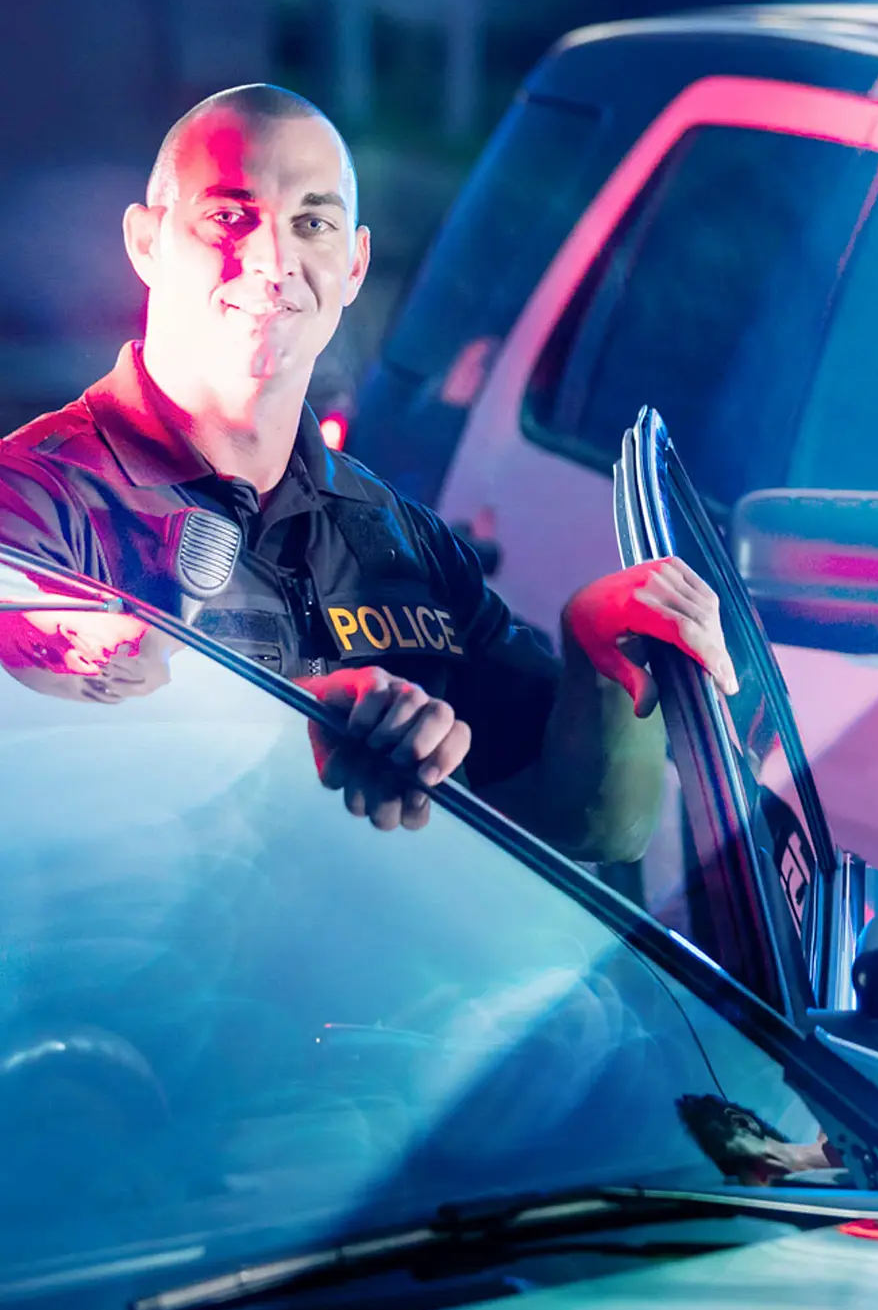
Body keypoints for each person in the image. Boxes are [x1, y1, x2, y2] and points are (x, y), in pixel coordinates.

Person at [0, 84, 734, 854]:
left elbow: (578, 825)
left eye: (311, 224)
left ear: (353, 267)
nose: (274, 260)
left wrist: (600, 648)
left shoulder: (402, 541)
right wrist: (303, 725)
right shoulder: (32, 509)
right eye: (228, 215)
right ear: (147, 244)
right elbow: (56, 798)